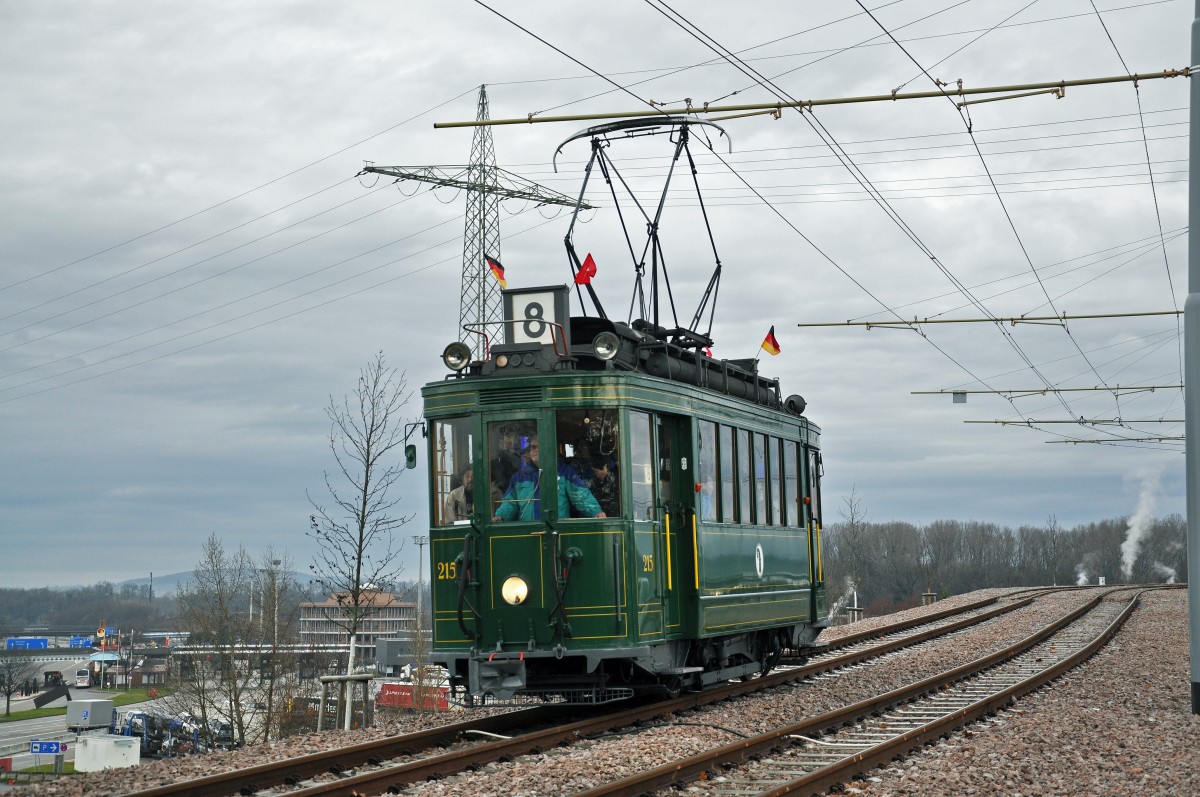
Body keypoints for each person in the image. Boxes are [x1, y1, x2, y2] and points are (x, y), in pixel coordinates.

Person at [492, 435, 606, 521]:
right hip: (528, 534)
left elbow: (581, 495)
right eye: (533, 447)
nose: (535, 450)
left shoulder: (564, 472)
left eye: (539, 447)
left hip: (557, 530)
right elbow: (510, 502)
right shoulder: (519, 477)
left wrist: (596, 512)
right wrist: (501, 516)